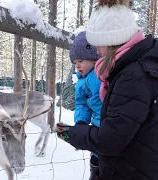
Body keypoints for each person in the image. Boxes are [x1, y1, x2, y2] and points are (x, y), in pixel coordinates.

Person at [56, 0, 158, 179]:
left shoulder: (134, 77)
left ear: (112, 41)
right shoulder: (135, 69)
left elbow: (109, 139)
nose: (98, 51)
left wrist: (71, 133)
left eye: (100, 44)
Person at [59, 31, 102, 180]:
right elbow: (82, 104)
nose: (77, 65)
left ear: (94, 58)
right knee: (96, 157)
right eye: (75, 62)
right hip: (97, 126)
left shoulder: (101, 75)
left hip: (108, 124)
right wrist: (81, 121)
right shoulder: (81, 82)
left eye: (81, 60)